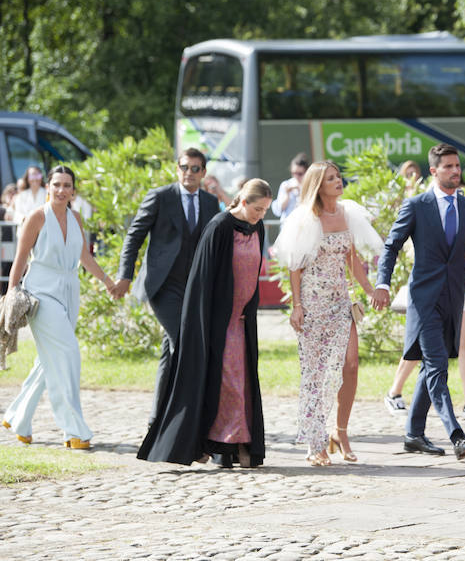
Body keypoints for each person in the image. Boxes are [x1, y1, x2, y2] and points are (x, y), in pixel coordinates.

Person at [372, 143, 465, 460]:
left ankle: (414, 434)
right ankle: (457, 435)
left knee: (430, 367)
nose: (455, 171)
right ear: (433, 171)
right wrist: (383, 282)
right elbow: (391, 246)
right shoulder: (416, 205)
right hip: (424, 301)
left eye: (457, 166)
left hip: (453, 300)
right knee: (438, 365)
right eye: (448, 167)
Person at [138, 179, 272, 468]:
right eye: (257, 209)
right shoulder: (219, 227)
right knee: (228, 381)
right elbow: (203, 282)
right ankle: (226, 443)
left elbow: (253, 274)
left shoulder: (257, 227)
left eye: (265, 210)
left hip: (242, 320)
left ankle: (239, 444)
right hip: (216, 322)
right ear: (244, 202)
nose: (260, 215)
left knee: (242, 382)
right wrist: (209, 325)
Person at [271, 161, 381, 466]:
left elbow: (353, 261)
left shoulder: (348, 213)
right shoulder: (307, 219)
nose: (338, 181)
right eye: (330, 178)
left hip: (340, 302)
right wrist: (297, 306)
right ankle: (314, 443)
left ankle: (340, 432)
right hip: (312, 304)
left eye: (338, 176)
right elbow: (295, 266)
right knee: (315, 373)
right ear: (318, 185)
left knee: (351, 365)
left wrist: (370, 291)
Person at [2, 166, 118, 449]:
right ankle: (74, 430)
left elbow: (84, 257)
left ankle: (19, 418)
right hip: (41, 292)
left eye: (67, 185)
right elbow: (19, 258)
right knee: (68, 355)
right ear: (48, 187)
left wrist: (106, 280)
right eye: (56, 184)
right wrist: (10, 293)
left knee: (47, 361)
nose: (61, 190)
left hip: (70, 291)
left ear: (73, 190)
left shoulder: (76, 217)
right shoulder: (36, 217)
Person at [112, 148, 220, 426]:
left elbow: (216, 246)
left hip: (195, 287)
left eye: (196, 168)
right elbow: (134, 236)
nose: (189, 173)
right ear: (177, 168)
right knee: (184, 345)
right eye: (185, 167)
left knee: (169, 350)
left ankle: (156, 417)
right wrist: (125, 275)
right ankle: (183, 420)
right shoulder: (160, 197)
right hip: (162, 286)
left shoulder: (210, 202)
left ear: (203, 173)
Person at [271, 153, 310, 222]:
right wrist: (287, 195)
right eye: (293, 173)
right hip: (287, 224)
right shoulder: (286, 184)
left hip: (304, 223)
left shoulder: (310, 185)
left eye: (300, 174)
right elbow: (279, 211)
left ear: (306, 172)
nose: (296, 176)